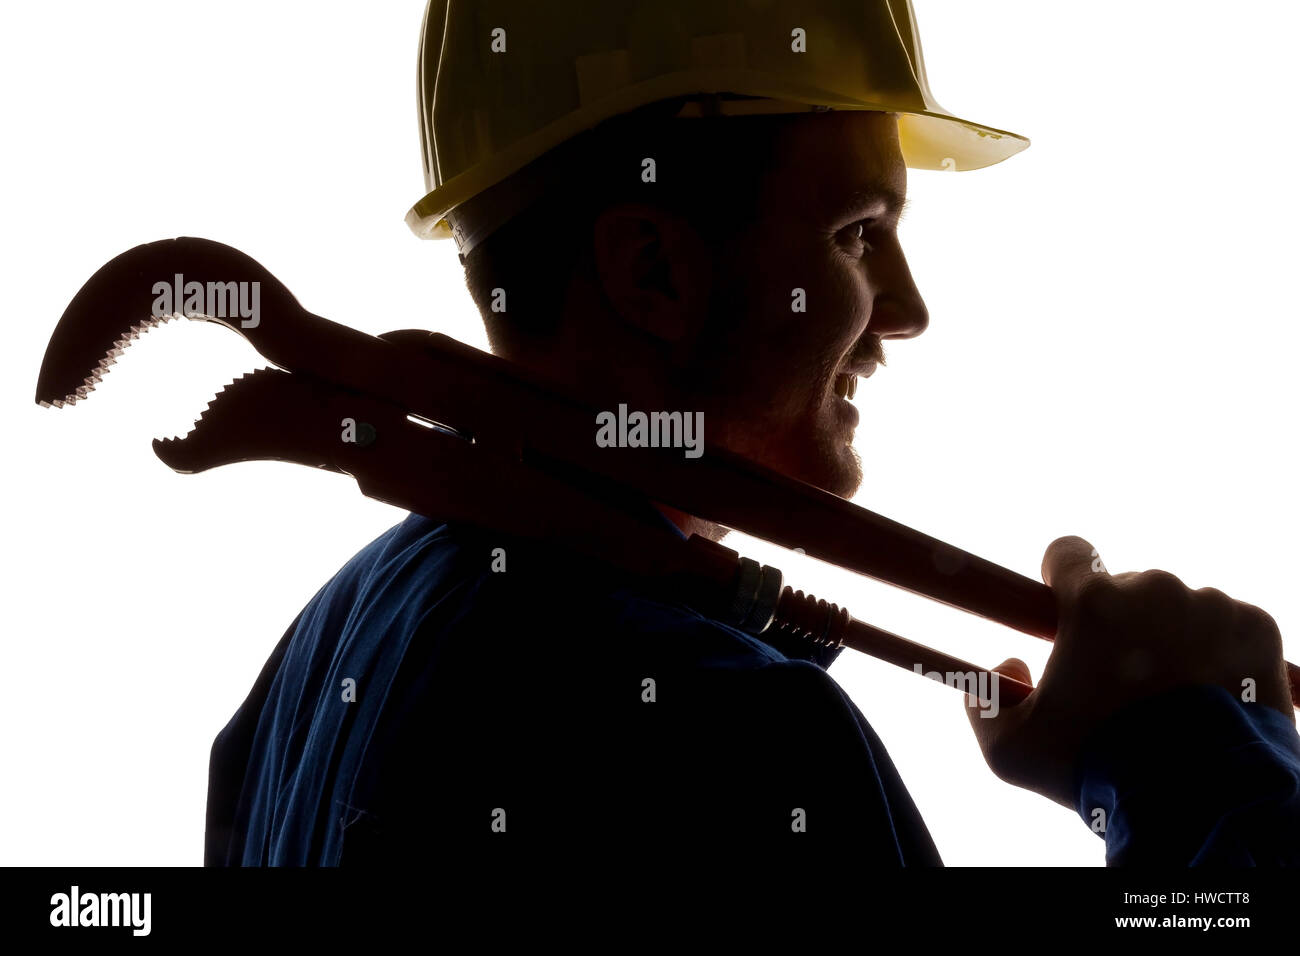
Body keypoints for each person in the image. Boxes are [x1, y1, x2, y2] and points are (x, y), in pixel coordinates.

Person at [205, 0, 1300, 867]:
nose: (908, 308)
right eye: (857, 233)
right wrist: (1203, 783)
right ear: (653, 271)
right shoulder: (735, 737)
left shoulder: (308, 670)